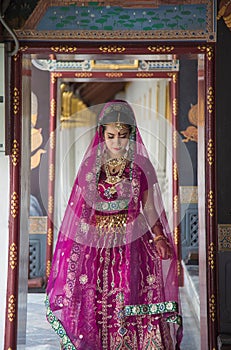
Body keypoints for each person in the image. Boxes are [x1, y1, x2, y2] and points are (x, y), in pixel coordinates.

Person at [45, 100, 183, 350]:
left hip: (133, 242)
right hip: (95, 246)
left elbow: (149, 208)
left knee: (130, 297)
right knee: (95, 300)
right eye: (111, 136)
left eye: (122, 135)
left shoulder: (142, 168)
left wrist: (160, 237)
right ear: (102, 135)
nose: (117, 142)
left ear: (131, 134)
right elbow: (79, 210)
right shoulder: (90, 167)